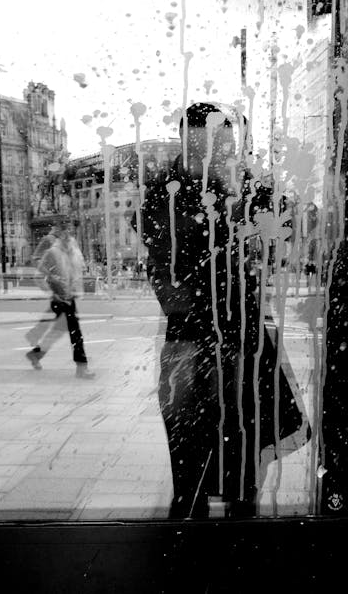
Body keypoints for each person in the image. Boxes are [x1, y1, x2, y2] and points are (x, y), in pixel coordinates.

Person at [135, 102, 310, 518]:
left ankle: (240, 501)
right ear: (184, 144)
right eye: (202, 150)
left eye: (224, 148)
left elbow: (283, 228)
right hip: (190, 330)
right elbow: (162, 263)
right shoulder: (166, 192)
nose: (214, 158)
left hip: (241, 327)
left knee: (248, 424)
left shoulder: (245, 185)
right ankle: (189, 503)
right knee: (187, 426)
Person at [25, 220, 95, 379]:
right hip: (60, 297)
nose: (68, 235)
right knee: (75, 332)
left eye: (70, 232)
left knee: (59, 331)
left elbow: (76, 271)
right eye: (65, 231)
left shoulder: (71, 250)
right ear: (59, 232)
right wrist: (52, 291)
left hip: (68, 297)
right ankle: (81, 367)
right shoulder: (53, 251)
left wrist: (76, 289)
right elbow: (39, 275)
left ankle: (36, 354)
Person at [25, 223, 62, 346]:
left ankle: (34, 335)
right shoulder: (48, 239)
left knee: (57, 310)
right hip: (54, 281)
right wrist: (50, 273)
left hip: (59, 281)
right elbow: (35, 258)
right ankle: (35, 335)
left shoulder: (59, 240)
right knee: (61, 311)